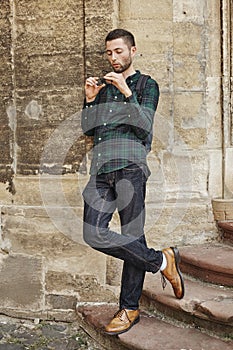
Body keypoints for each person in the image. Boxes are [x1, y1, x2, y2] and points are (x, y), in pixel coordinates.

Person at [81, 28, 184, 336]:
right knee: (94, 233)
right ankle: (162, 260)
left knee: (132, 235)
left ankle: (130, 308)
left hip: (130, 169)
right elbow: (89, 130)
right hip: (101, 170)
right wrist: (89, 101)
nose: (113, 58)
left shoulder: (145, 85)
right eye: (109, 53)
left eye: (119, 52)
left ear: (133, 51)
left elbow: (145, 128)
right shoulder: (102, 87)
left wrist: (127, 92)